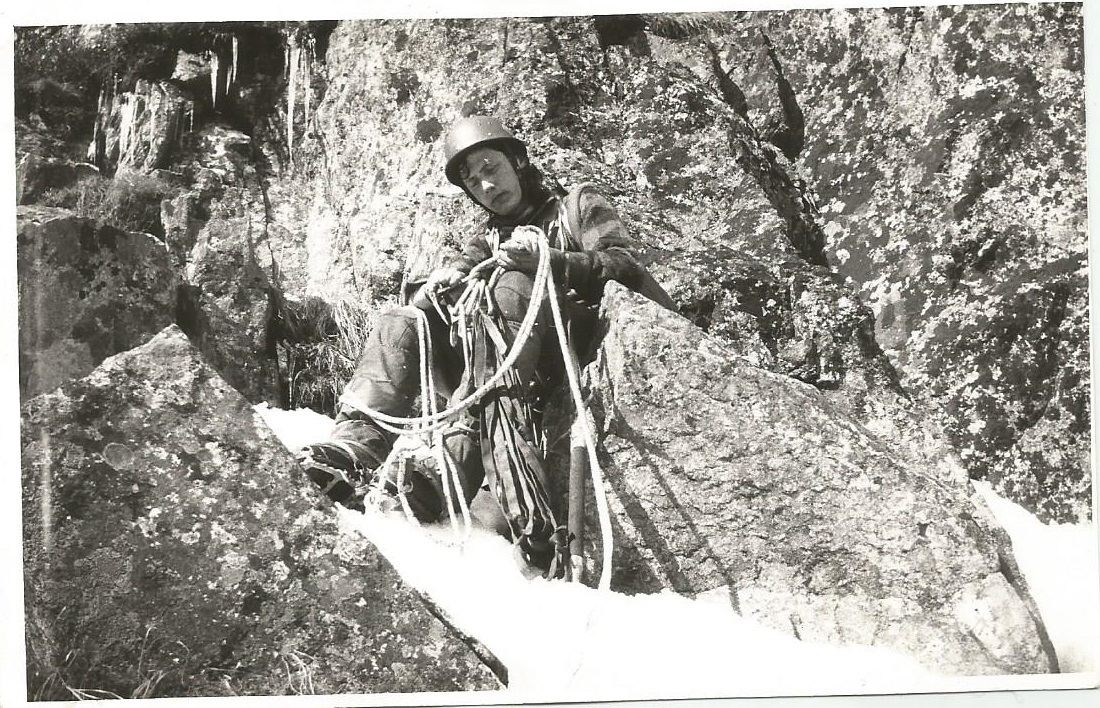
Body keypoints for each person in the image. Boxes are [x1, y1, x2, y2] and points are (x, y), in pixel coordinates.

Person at [297, 115, 654, 574]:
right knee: (403, 320)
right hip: (493, 366)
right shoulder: (485, 242)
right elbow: (451, 277)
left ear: (518, 162)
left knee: (513, 282)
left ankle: (461, 474)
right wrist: (440, 288)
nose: (486, 185)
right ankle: (354, 449)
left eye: (492, 168)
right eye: (473, 180)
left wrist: (548, 260)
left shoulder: (576, 206)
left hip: (564, 352)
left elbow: (624, 265)